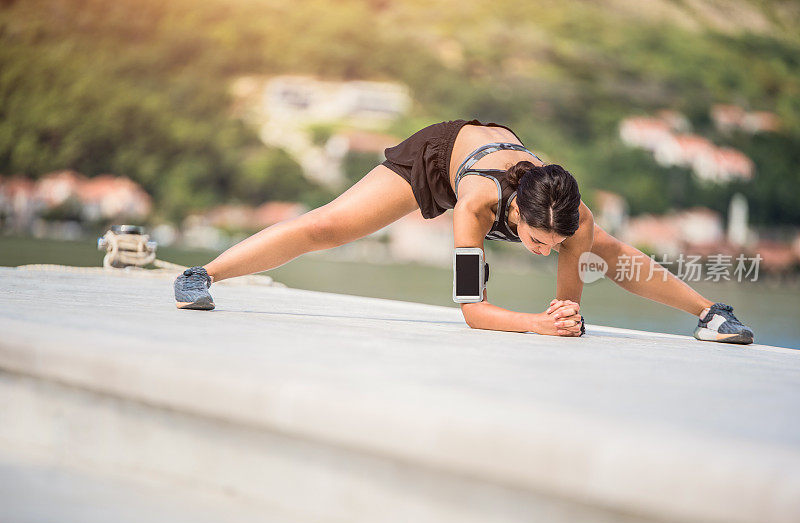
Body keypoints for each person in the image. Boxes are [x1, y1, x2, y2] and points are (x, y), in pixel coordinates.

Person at [174, 119, 755, 344]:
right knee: (329, 227)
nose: (545, 251)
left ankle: (712, 312)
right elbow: (474, 312)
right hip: (441, 155)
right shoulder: (474, 207)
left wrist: (563, 312)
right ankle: (204, 274)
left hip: (512, 167)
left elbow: (567, 310)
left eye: (553, 245)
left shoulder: (571, 220)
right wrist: (534, 323)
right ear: (516, 215)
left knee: (608, 251)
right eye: (536, 241)